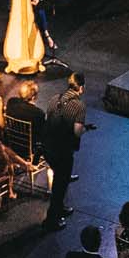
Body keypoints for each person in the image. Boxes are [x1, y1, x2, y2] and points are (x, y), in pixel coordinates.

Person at [40, 72, 83, 230]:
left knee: (60, 181)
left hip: (48, 147)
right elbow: (77, 131)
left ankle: (60, 208)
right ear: (81, 88)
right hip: (62, 151)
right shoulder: (78, 106)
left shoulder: (54, 99)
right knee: (60, 185)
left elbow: (47, 118)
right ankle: (52, 220)